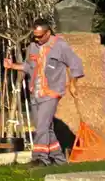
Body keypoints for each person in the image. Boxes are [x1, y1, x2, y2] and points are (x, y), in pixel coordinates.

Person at [5, 17, 84, 166]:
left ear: (48, 33)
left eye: (40, 36)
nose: (37, 39)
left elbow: (75, 64)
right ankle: (59, 159)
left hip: (51, 92)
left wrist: (73, 84)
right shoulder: (32, 47)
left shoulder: (60, 45)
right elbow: (28, 67)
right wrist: (12, 66)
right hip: (35, 93)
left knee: (41, 126)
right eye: (34, 36)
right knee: (45, 127)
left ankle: (40, 158)